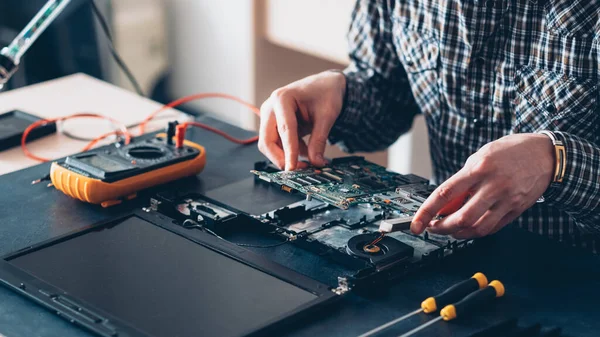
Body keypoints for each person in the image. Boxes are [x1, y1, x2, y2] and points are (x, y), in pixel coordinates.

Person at [257, 0, 600, 251]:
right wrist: (342, 95)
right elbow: (387, 96)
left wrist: (557, 164)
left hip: (580, 275)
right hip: (448, 256)